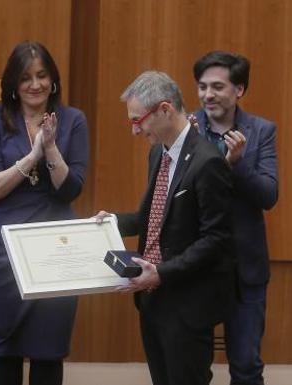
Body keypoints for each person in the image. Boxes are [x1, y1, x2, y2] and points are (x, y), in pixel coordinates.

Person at [95, 71, 236, 385]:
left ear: (165, 110)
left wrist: (161, 272)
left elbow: (216, 240)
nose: (135, 130)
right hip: (151, 299)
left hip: (186, 303)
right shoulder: (158, 152)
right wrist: (112, 222)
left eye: (138, 120)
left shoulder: (207, 162)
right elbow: (152, 217)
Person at [0, 41, 89, 385]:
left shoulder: (72, 120)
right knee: (3, 349)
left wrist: (50, 147)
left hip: (55, 246)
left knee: (48, 348)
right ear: (13, 83)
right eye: (26, 77)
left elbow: (71, 189)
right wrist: (31, 156)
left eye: (42, 75)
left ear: (53, 79)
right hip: (4, 247)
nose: (35, 84)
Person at [192, 51, 278, 385]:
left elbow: (269, 195)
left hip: (246, 268)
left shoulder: (261, 131)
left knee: (245, 365)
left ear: (238, 90)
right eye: (202, 87)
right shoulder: (188, 129)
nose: (207, 95)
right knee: (192, 367)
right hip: (195, 266)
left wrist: (238, 164)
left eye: (217, 86)